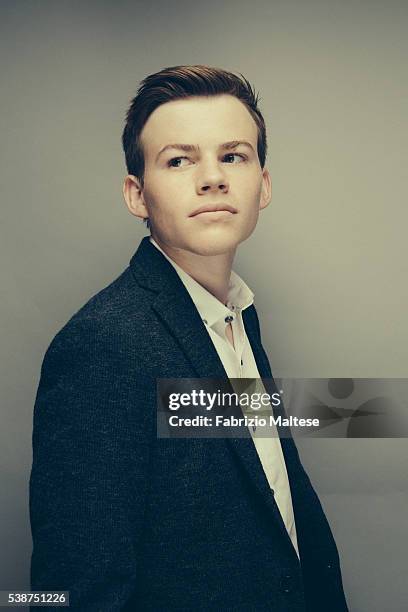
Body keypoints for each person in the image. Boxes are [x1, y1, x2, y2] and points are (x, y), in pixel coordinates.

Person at [29, 65, 349, 611]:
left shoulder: (238, 314)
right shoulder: (103, 345)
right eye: (179, 160)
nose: (213, 178)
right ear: (137, 194)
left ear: (263, 183)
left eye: (233, 156)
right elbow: (76, 592)